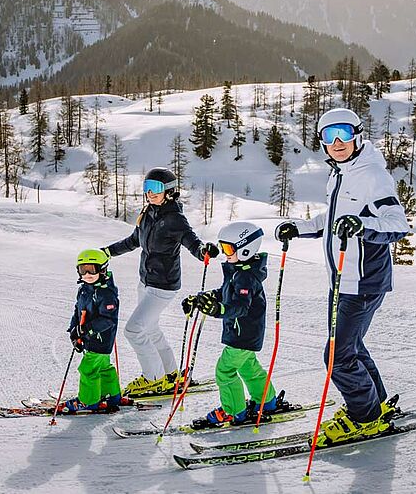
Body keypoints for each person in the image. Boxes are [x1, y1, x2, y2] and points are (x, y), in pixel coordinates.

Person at [275, 107, 410, 444]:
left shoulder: (372, 176)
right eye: (329, 135)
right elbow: (333, 218)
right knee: (351, 346)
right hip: (340, 280)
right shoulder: (340, 173)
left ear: (358, 136)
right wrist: (300, 228)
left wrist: (362, 226)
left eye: (344, 133)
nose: (337, 142)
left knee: (337, 356)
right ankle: (375, 406)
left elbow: (397, 225)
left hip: (362, 281)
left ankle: (364, 417)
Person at [101, 167, 218, 397]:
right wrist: (107, 252)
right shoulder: (148, 213)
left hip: (162, 284)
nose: (150, 193)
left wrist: (203, 250)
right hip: (145, 281)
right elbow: (134, 240)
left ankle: (153, 379)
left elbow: (191, 241)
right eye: (146, 188)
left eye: (155, 188)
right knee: (151, 329)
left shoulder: (175, 218)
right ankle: (171, 374)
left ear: (170, 191)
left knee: (134, 330)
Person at [182, 221, 286, 426]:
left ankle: (234, 410)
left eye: (229, 248)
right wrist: (203, 298)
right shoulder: (238, 270)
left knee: (225, 370)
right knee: (249, 367)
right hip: (246, 333)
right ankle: (267, 401)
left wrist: (218, 309)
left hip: (243, 334)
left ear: (246, 248)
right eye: (223, 247)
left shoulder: (246, 276)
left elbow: (240, 306)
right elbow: (225, 293)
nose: (224, 252)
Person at [60, 249, 121, 413]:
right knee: (103, 368)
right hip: (91, 338)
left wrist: (86, 330)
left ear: (102, 269)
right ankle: (111, 395)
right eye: (82, 269)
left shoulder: (106, 293)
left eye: (91, 269)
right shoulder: (85, 288)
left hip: (100, 339)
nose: (87, 274)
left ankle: (88, 401)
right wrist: (74, 330)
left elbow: (108, 319)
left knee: (88, 369)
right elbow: (77, 311)